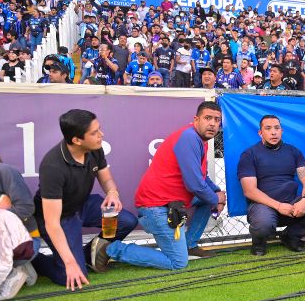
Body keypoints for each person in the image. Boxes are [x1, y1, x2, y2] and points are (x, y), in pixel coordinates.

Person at [96, 102, 227, 270]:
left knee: (207, 199)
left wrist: (217, 193)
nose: (213, 124)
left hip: (170, 203)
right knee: (178, 262)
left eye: (217, 120)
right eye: (208, 118)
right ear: (196, 119)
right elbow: (194, 184)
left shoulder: (201, 140)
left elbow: (202, 177)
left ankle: (189, 244)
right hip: (156, 208)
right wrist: (216, 198)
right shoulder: (189, 137)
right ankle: (110, 248)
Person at [31, 109, 138, 290]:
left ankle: (87, 256)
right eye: (94, 133)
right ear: (76, 140)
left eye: (99, 129)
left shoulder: (95, 149)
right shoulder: (52, 166)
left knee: (127, 221)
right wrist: (70, 262)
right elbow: (52, 224)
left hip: (84, 205)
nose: (101, 135)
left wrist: (112, 192)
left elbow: (106, 179)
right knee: (73, 275)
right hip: (59, 217)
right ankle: (34, 259)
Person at [238, 115, 305, 256]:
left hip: (292, 204)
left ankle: (290, 236)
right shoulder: (249, 155)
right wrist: (278, 206)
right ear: (260, 133)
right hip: (263, 206)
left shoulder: (293, 152)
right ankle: (259, 242)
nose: (273, 132)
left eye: (276, 128)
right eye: (268, 128)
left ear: (281, 131)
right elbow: (249, 191)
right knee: (264, 223)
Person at [0, 148, 39, 300]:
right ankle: (17, 269)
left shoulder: (4, 171)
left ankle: (13, 271)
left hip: (22, 242)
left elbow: (26, 208)